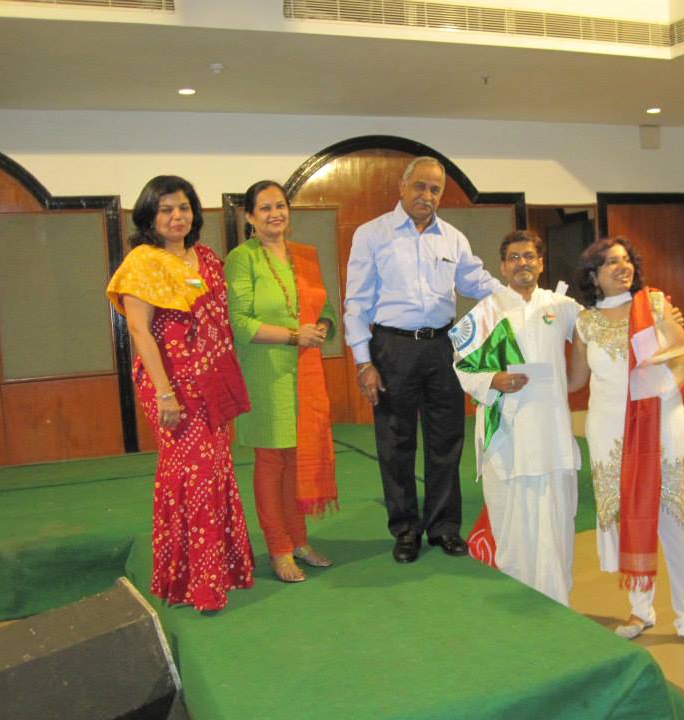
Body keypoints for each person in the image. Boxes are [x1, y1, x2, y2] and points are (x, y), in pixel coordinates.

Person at [106, 175, 254, 612]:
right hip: (172, 386)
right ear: (149, 216)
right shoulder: (143, 262)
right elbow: (139, 330)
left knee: (217, 470)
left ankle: (220, 571)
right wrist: (165, 393)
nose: (177, 217)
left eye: (184, 207)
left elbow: (219, 322)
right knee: (193, 474)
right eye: (166, 209)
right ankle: (196, 583)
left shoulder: (205, 258)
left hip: (211, 381)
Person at [344, 156, 502, 563]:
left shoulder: (453, 239)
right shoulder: (371, 234)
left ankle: (444, 527)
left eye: (435, 189)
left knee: (446, 439)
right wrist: (363, 362)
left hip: (441, 346)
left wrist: (521, 297)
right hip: (392, 348)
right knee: (395, 442)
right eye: (419, 186)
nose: (426, 196)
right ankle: (405, 530)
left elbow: (475, 281)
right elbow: (357, 302)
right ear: (402, 187)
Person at [568, 236, 684, 655]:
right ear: (593, 276)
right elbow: (575, 381)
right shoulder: (584, 323)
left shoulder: (653, 305)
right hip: (610, 432)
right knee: (626, 518)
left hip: (661, 425)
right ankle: (640, 610)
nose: (622, 267)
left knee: (675, 519)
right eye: (610, 262)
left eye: (626, 260)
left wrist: (667, 372)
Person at [451, 230, 581, 605]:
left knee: (556, 521)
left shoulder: (561, 305)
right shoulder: (487, 310)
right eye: (514, 257)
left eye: (529, 256)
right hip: (506, 436)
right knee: (512, 524)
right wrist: (493, 379)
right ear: (503, 266)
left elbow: (600, 331)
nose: (522, 263)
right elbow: (461, 365)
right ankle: (518, 595)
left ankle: (557, 599)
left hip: (552, 436)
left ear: (541, 263)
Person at [224, 180, 338, 583]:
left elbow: (325, 309)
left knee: (295, 460)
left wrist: (322, 327)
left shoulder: (304, 256)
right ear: (250, 217)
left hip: (304, 375)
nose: (275, 214)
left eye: (281, 206)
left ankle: (299, 541)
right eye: (265, 208)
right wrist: (293, 336)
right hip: (265, 373)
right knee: (272, 461)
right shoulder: (242, 259)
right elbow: (240, 323)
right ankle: (278, 548)